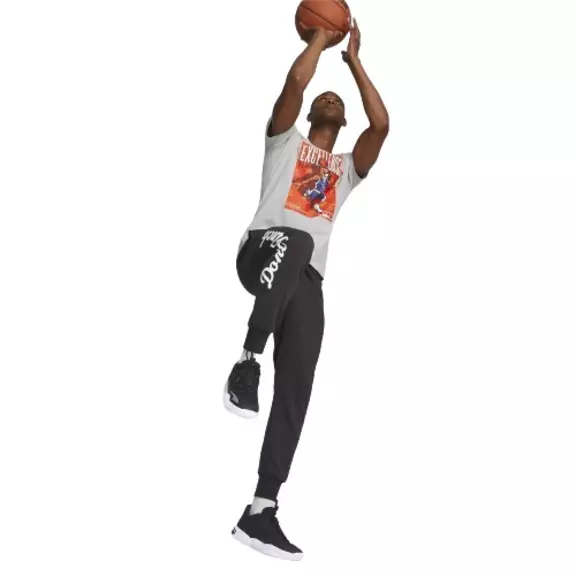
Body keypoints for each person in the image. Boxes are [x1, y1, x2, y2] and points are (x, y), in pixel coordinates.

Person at [224, 20, 389, 561]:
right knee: (295, 239)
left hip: (306, 281)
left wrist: (354, 62)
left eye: (338, 101)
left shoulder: (345, 170)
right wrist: (320, 36)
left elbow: (381, 125)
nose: (330, 99)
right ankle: (247, 363)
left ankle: (261, 510)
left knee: (298, 383)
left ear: (343, 121)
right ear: (313, 112)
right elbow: (295, 85)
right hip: (262, 253)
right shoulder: (284, 142)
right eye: (325, 97)